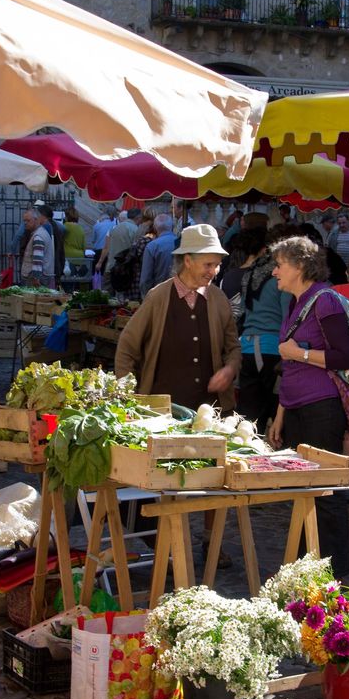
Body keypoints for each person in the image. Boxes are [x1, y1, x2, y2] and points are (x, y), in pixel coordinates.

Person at [115, 224, 241, 565]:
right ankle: (169, 545)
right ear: (187, 260)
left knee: (215, 477)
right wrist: (127, 396)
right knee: (172, 479)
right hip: (163, 408)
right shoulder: (159, 297)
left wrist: (229, 370)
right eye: (208, 265)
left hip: (210, 408)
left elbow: (233, 348)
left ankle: (212, 544)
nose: (214, 272)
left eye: (217, 265)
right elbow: (127, 347)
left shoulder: (218, 300)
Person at [268, 235, 349, 578]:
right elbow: (289, 366)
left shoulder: (325, 301)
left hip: (322, 408)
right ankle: (308, 566)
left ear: (301, 266)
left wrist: (300, 353)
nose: (274, 271)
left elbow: (344, 355)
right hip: (297, 408)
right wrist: (280, 415)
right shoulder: (295, 302)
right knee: (303, 490)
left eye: (280, 264)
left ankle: (334, 572)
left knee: (325, 490)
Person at [236, 225, 291, 434]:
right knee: (271, 418)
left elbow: (242, 311)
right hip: (272, 350)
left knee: (248, 420)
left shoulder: (252, 270)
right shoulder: (281, 276)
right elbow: (288, 317)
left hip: (247, 347)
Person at [139, 213, 176, 297]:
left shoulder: (152, 246)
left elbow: (145, 278)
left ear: (155, 228)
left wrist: (146, 298)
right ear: (172, 226)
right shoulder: (181, 243)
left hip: (159, 294)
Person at [97, 207, 140, 274]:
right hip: (125, 269)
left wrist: (100, 262)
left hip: (111, 267)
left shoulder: (113, 229)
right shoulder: (136, 229)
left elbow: (106, 248)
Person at [20, 208, 55, 287]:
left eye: (28, 220)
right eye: (24, 221)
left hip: (36, 278)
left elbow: (37, 259)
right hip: (43, 275)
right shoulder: (40, 233)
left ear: (36, 220)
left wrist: (36, 277)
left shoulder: (38, 236)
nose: (25, 223)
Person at [37, 204, 65, 283]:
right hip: (55, 266)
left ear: (43, 215)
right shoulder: (55, 226)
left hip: (49, 269)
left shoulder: (48, 228)